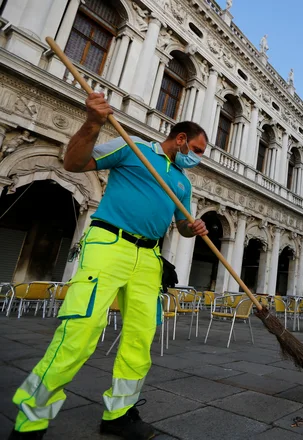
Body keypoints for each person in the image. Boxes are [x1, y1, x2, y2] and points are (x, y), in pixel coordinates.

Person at [9, 92, 208, 440]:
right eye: (198, 150)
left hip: (149, 257)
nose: (199, 159)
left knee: (139, 338)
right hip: (108, 244)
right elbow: (74, 163)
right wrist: (93, 122)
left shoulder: (183, 182)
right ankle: (31, 421)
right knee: (79, 334)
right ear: (181, 140)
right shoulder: (132, 148)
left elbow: (182, 226)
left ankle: (119, 413)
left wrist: (193, 227)